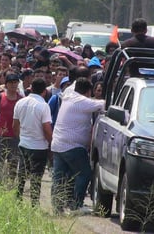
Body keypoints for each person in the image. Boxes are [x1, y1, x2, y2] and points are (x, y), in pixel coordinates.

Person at [51, 77, 105, 213]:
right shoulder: (83, 102)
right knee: (85, 174)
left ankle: (57, 207)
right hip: (72, 146)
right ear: (88, 91)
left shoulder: (68, 94)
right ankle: (77, 205)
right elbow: (102, 104)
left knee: (59, 177)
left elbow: (75, 84)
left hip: (58, 144)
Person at [13, 78, 53, 207]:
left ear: (31, 88)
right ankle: (34, 204)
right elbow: (46, 128)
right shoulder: (43, 105)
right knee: (36, 177)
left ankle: (18, 199)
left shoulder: (20, 102)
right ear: (44, 91)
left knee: (22, 174)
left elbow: (15, 125)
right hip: (39, 146)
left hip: (23, 143)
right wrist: (51, 143)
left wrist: (21, 138)